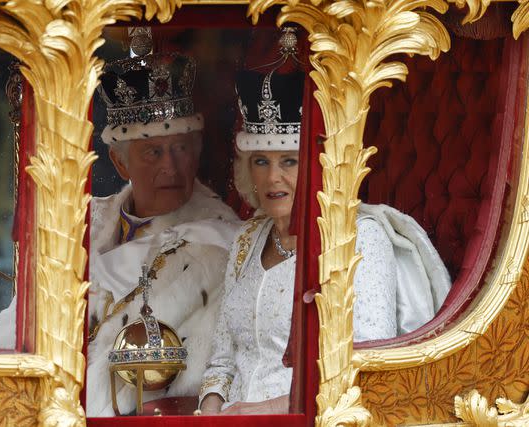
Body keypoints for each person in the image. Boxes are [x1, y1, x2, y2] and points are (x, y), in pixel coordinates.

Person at [199, 63, 451, 415]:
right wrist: (211, 413)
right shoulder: (247, 238)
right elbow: (222, 364)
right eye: (261, 160)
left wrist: (258, 413)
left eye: (289, 160)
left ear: (317, 163)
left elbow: (365, 376)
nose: (273, 177)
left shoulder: (359, 237)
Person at [85, 48, 240, 417]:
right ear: (120, 162)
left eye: (181, 149)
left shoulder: (225, 240)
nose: (171, 166)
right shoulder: (84, 223)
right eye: (153, 153)